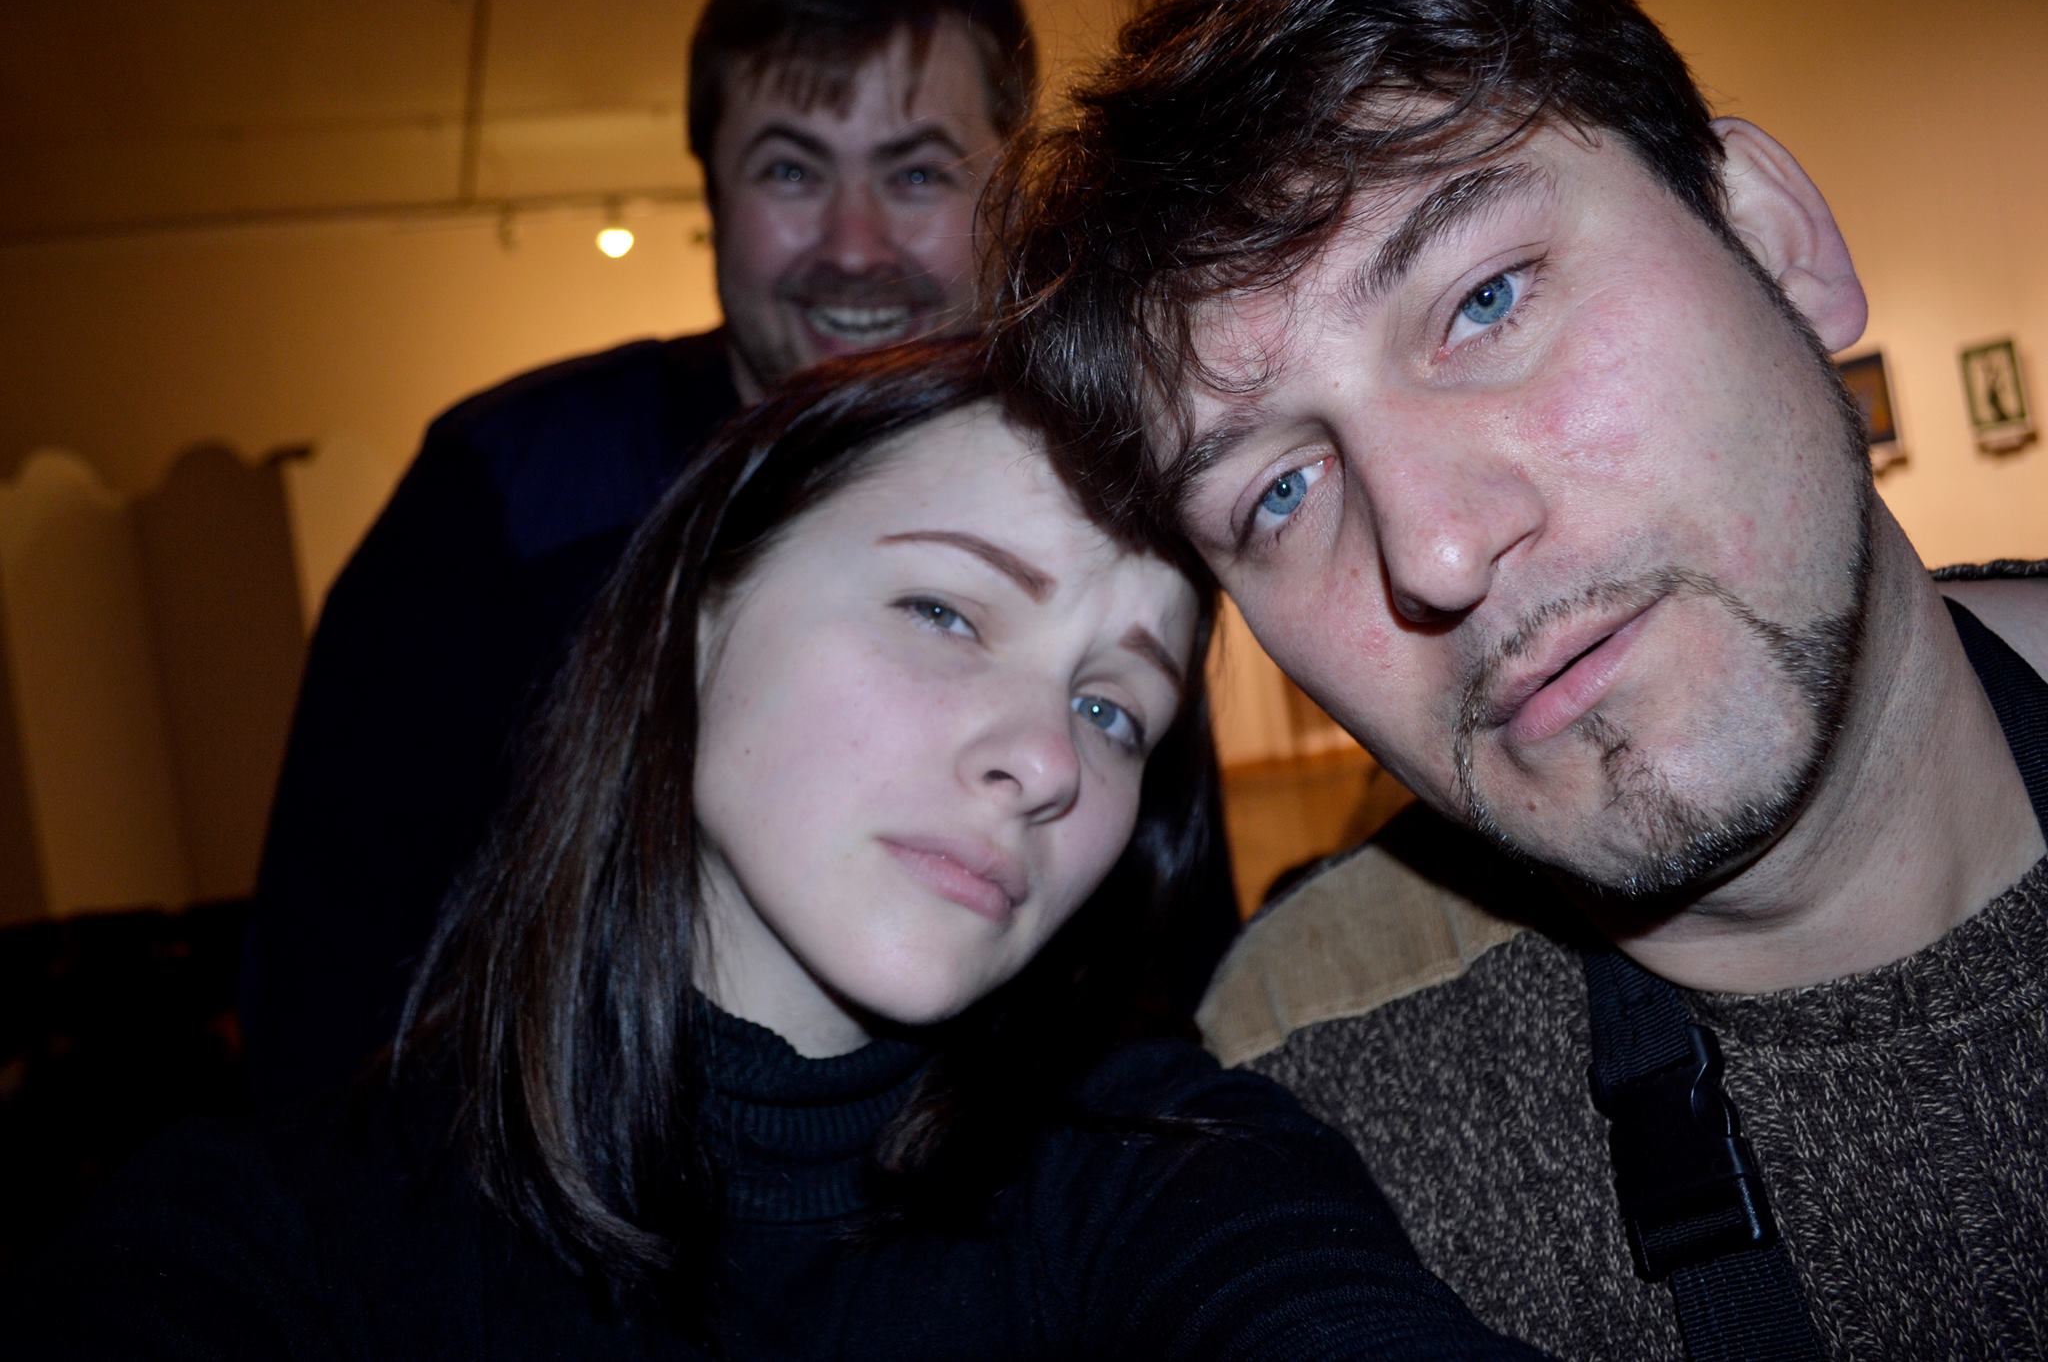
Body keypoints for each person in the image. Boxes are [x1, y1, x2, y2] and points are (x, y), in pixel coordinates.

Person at [11, 345, 1546, 1361]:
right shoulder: (278, 1238)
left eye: (1112, 708)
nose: (1045, 759)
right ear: (698, 616)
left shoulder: (1165, 1173)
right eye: (945, 610)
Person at [986, 0, 2048, 1358]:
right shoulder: (1298, 1094)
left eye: (1483, 301)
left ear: (1772, 238)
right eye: (1281, 492)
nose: (1434, 550)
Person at [242, 0, 1043, 1104]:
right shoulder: (506, 500)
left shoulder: (1091, 512)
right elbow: (324, 991)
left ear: (1011, 188)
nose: (853, 246)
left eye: (916, 174)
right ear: (711, 189)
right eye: (790, 171)